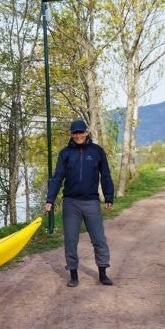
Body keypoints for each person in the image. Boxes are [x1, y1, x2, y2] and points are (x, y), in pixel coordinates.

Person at [45, 119, 114, 287]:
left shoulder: (97, 151)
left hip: (91, 202)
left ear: (86, 132)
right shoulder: (65, 153)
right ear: (72, 134)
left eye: (81, 132)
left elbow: (105, 175)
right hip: (71, 203)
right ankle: (73, 275)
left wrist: (109, 196)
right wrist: (50, 199)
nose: (78, 135)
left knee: (99, 239)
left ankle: (103, 273)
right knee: (70, 240)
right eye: (75, 133)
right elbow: (57, 178)